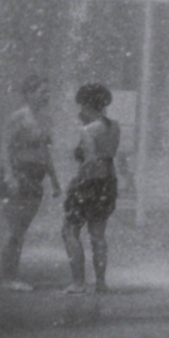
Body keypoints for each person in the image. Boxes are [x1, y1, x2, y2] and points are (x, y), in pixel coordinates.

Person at [0, 75, 59, 291]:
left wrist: (54, 179)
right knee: (14, 229)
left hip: (35, 178)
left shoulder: (44, 118)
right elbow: (5, 148)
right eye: (42, 92)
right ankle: (8, 278)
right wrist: (9, 177)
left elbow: (44, 152)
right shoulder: (18, 117)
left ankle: (12, 275)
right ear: (29, 94)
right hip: (18, 175)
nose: (47, 96)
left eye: (48, 92)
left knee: (21, 229)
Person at [61, 83, 122, 295]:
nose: (79, 110)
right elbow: (108, 156)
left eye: (81, 105)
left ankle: (78, 282)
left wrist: (75, 183)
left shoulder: (88, 130)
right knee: (98, 235)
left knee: (69, 231)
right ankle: (101, 283)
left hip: (88, 182)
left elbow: (90, 161)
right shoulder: (115, 126)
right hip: (108, 182)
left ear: (88, 105)